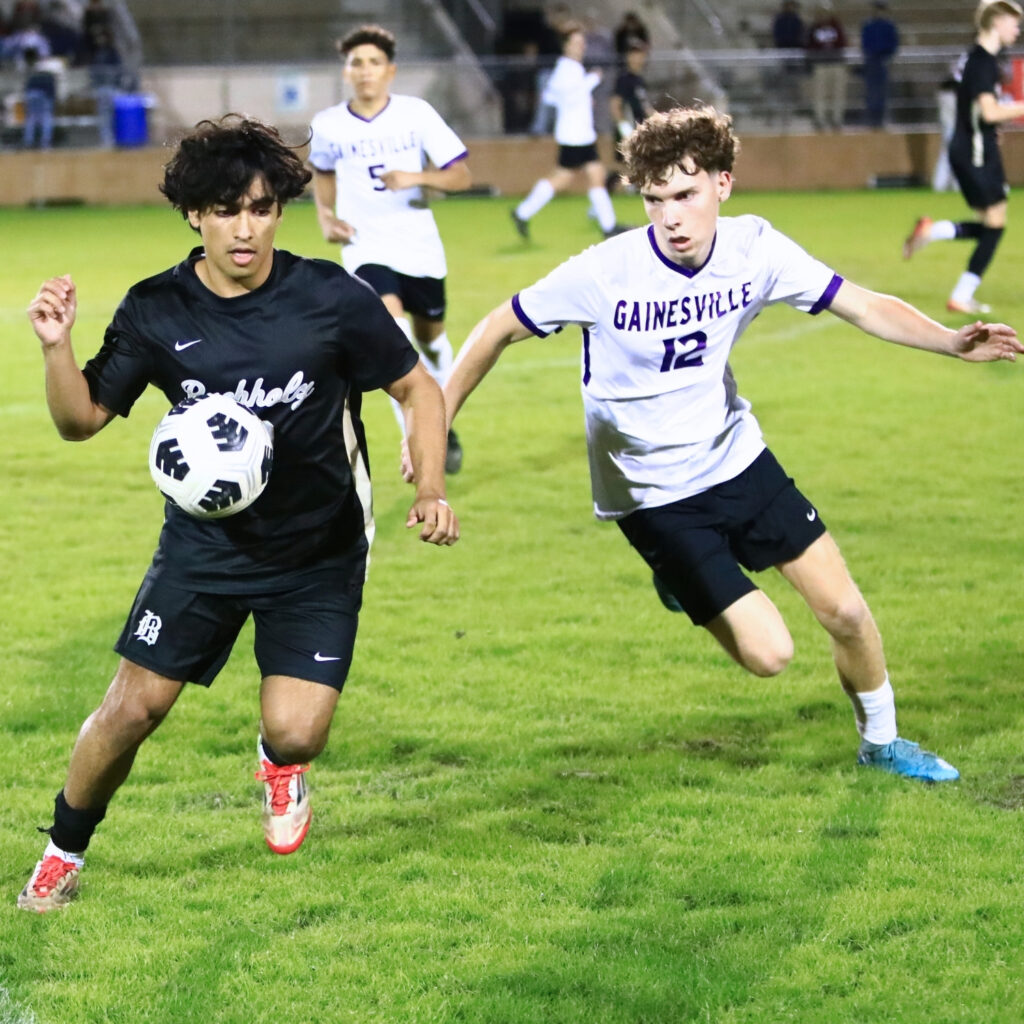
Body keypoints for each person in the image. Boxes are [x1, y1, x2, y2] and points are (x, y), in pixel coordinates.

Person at [435, 104, 1023, 786]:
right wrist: (435, 424)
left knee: (847, 611)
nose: (671, 217)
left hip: (734, 456)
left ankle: (883, 744)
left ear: (724, 183)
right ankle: (678, 580)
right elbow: (496, 328)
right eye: (655, 201)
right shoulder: (605, 271)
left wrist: (949, 342)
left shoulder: (756, 249)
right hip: (652, 495)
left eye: (685, 195)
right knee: (770, 654)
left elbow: (859, 303)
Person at [18, 114, 459, 913]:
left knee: (298, 732)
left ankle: (277, 761)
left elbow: (416, 386)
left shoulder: (329, 296)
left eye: (260, 209)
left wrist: (429, 485)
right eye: (226, 210)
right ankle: (62, 851)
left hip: (318, 550)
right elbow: (80, 419)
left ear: (280, 211)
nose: (244, 229)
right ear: (195, 214)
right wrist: (55, 346)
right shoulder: (156, 310)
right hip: (202, 553)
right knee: (133, 708)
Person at [310, 24, 471, 476]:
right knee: (393, 332)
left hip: (419, 245)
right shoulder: (327, 125)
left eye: (374, 62)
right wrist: (326, 216)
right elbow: (322, 173)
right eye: (356, 63)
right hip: (365, 246)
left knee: (431, 338)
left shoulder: (416, 115)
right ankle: (416, 431)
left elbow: (460, 176)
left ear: (391, 70)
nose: (365, 71)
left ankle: (443, 414)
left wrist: (416, 177)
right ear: (346, 72)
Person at [903, 0, 1024, 315]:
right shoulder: (983, 62)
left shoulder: (976, 58)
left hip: (970, 149)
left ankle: (933, 232)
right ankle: (960, 295)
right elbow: (990, 110)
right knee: (995, 226)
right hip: (976, 154)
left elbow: (978, 113)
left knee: (991, 224)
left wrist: (989, 126)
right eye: (1014, 22)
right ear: (996, 21)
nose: (1018, 29)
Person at [511, 21, 627, 241]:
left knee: (590, 175)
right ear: (566, 46)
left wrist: (583, 97)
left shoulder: (569, 68)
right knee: (572, 177)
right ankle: (608, 226)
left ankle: (607, 225)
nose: (580, 47)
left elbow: (552, 97)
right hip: (576, 135)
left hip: (577, 133)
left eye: (582, 42)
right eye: (576, 43)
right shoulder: (568, 68)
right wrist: (592, 81)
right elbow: (563, 95)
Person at [606, 40, 653, 193]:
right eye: (634, 55)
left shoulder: (639, 80)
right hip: (628, 128)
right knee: (623, 164)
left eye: (640, 55)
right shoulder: (624, 79)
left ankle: (627, 189)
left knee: (634, 162)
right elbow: (615, 104)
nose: (637, 59)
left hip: (640, 128)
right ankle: (604, 193)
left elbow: (645, 107)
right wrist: (623, 127)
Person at [805, 0, 848, 130]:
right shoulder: (814, 28)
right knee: (820, 93)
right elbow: (810, 44)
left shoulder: (836, 26)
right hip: (821, 65)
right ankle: (820, 119)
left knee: (838, 93)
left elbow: (842, 42)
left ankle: (837, 119)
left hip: (836, 64)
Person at [860, 0, 899, 128]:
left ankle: (882, 117)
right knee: (871, 90)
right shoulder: (868, 25)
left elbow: (893, 43)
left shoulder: (889, 25)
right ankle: (872, 118)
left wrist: (887, 54)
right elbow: (865, 43)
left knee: (883, 91)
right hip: (872, 60)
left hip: (884, 60)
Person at [21, 45, 55, 149]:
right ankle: (45, 141)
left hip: (32, 93)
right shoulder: (44, 66)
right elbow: (50, 81)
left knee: (31, 118)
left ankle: (28, 141)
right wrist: (52, 96)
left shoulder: (30, 67)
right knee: (46, 118)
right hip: (42, 93)